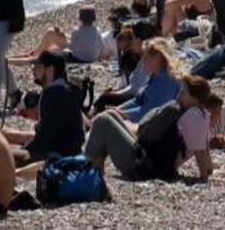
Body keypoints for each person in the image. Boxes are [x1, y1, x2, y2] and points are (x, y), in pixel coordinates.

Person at [84, 75, 214, 182]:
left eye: (184, 93)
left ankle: (85, 169)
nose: (179, 95)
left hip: (144, 167)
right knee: (110, 115)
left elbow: (200, 151)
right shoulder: (202, 114)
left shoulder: (192, 116)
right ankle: (95, 168)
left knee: (102, 121)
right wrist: (209, 169)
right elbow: (204, 144)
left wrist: (203, 178)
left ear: (196, 99)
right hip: (149, 160)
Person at [22, 50, 86, 161]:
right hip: (76, 151)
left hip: (57, 155)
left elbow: (44, 138)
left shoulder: (51, 95)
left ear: (50, 70)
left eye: (38, 67)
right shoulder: (69, 90)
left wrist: (25, 148)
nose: (34, 70)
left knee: (9, 154)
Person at [115, 39, 185, 122]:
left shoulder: (168, 80)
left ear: (157, 58)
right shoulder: (156, 76)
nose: (143, 61)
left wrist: (121, 114)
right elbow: (138, 100)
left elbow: (149, 112)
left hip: (157, 125)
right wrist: (118, 109)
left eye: (146, 57)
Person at [8, 6, 105, 65]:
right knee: (54, 40)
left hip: (78, 58)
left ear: (81, 19)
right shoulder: (97, 30)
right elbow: (101, 47)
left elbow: (72, 48)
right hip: (92, 58)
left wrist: (63, 38)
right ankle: (34, 53)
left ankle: (30, 57)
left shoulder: (77, 30)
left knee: (52, 45)